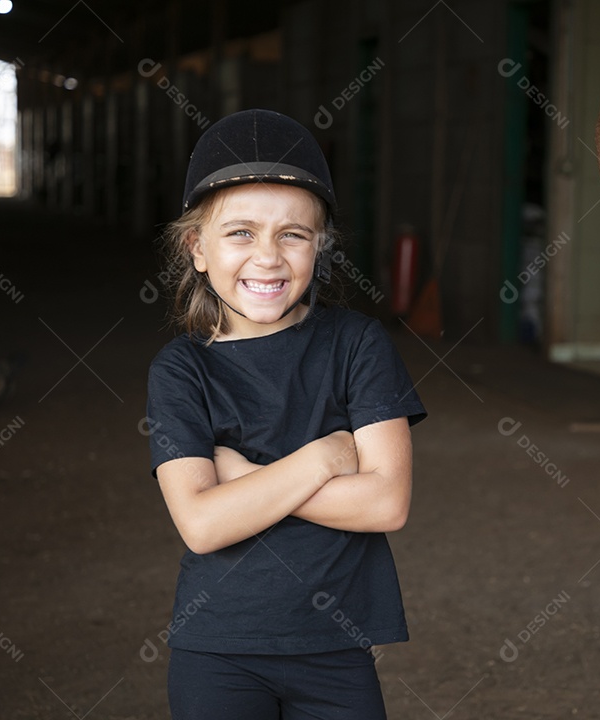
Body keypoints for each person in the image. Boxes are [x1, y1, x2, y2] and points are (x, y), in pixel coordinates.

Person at [146, 108, 427, 719]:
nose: (268, 258)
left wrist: (243, 480)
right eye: (240, 233)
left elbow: (386, 503)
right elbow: (201, 524)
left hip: (336, 647)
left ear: (319, 245)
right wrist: (323, 458)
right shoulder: (181, 370)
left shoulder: (358, 345)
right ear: (197, 248)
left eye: (292, 234)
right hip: (218, 649)